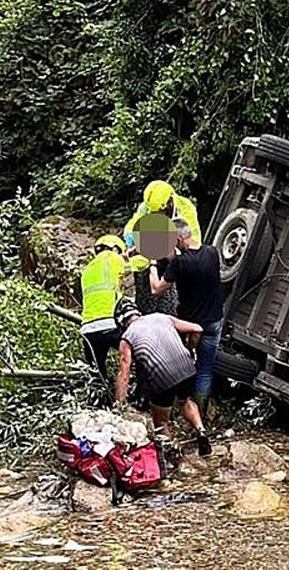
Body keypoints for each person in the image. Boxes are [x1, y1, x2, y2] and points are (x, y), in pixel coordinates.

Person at [112, 300, 212, 456]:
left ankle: (172, 453)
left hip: (162, 378)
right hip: (186, 368)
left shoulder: (127, 338)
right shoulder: (161, 317)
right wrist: (191, 350)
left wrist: (119, 406)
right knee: (185, 400)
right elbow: (197, 329)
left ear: (121, 322)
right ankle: (201, 431)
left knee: (161, 422)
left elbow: (124, 376)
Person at [149, 219, 225, 416]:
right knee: (205, 370)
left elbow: (156, 289)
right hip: (213, 321)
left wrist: (152, 265)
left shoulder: (180, 264)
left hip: (189, 324)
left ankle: (179, 407)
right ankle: (200, 412)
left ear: (179, 238)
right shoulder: (212, 253)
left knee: (181, 365)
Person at [80, 234, 130, 395]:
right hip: (110, 323)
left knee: (96, 371)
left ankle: (98, 404)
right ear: (115, 249)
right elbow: (136, 265)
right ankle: (133, 397)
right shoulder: (112, 258)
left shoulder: (87, 269)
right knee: (135, 354)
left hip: (88, 328)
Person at [123, 180, 201, 250]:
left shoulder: (185, 208)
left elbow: (194, 242)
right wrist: (130, 236)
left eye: (159, 212)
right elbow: (134, 223)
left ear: (170, 202)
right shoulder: (146, 206)